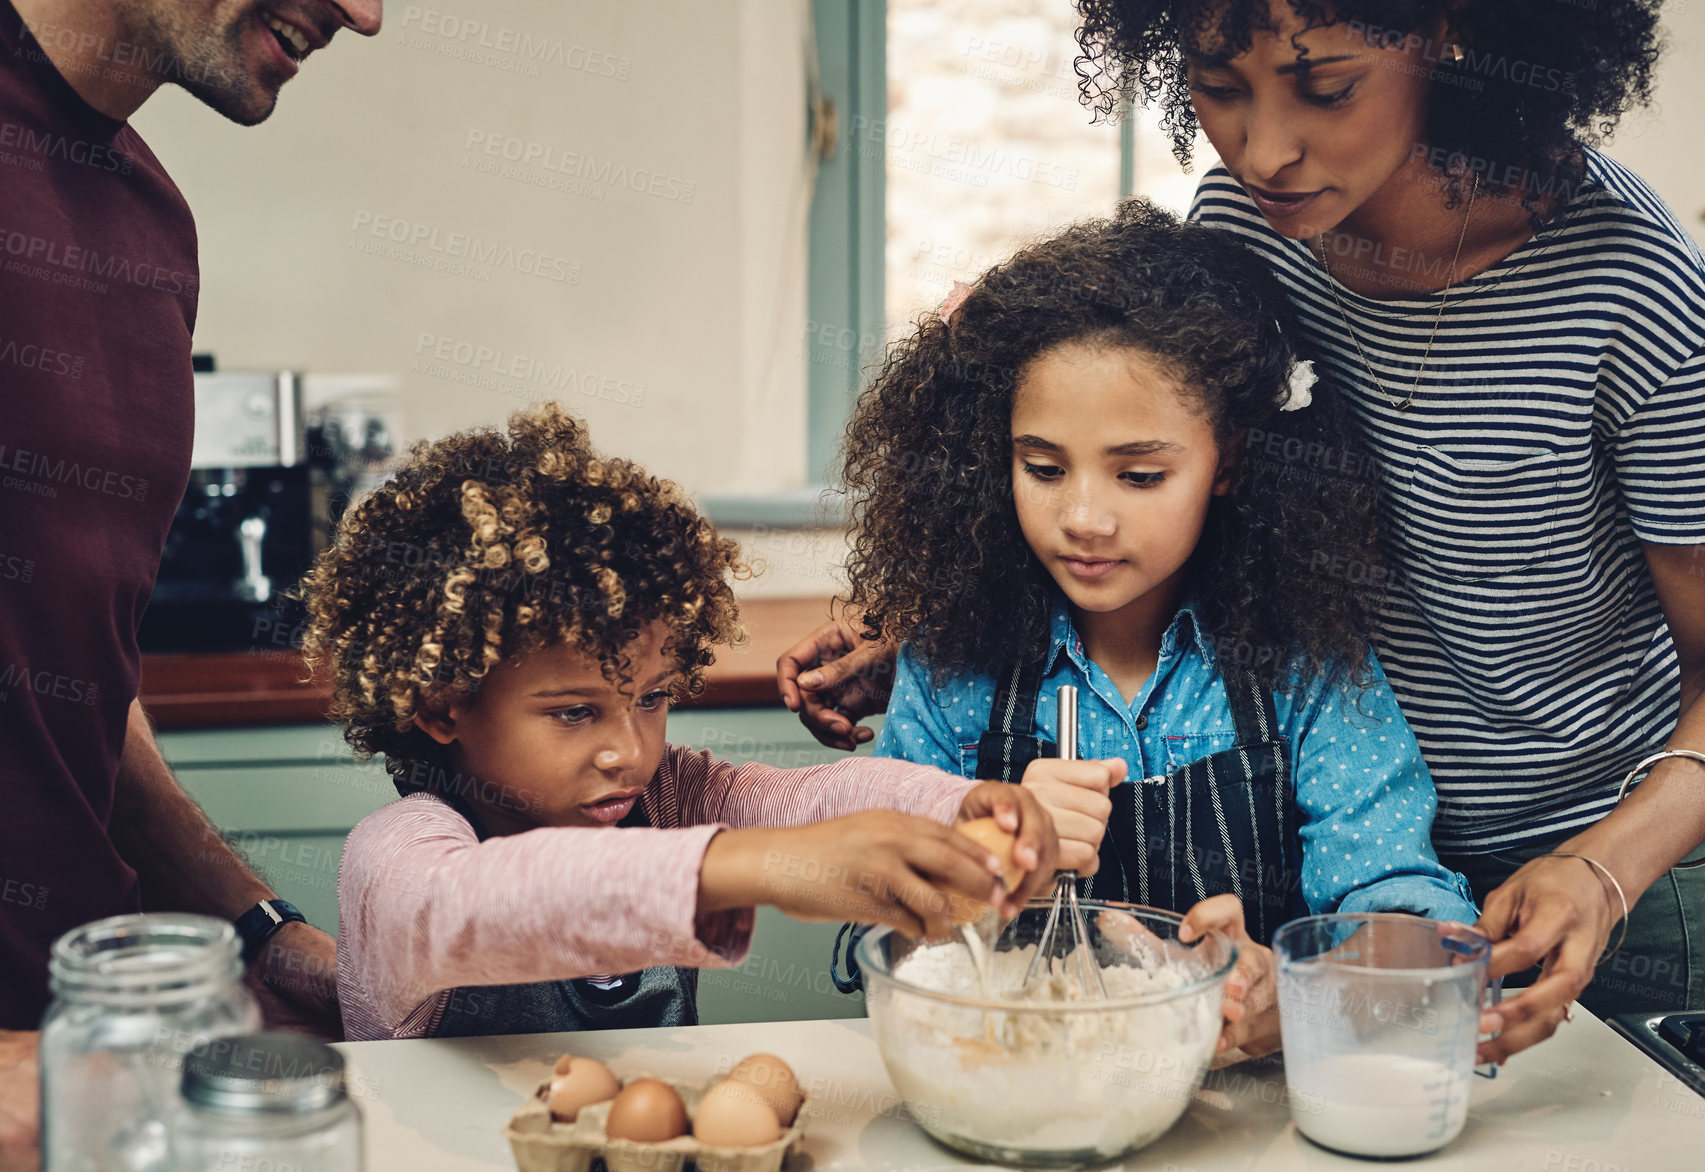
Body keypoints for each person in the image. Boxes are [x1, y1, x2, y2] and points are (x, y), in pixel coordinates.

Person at [780, 0, 1705, 1064]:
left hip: (1588, 854)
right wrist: (969, 614)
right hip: (1359, 862)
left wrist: (1600, 865)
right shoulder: (1258, 208)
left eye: (1326, 86)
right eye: (1218, 84)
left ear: (1447, 31)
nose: (1263, 148)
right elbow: (1159, 426)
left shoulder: (1633, 285)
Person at [832, 201, 1482, 1056]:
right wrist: (980, 862)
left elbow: (1407, 914)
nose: (1084, 518)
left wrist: (1295, 991)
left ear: (1231, 462)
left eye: (1139, 475)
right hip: (1018, 1088)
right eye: (1042, 468)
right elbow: (873, 941)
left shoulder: (1302, 667)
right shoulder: (954, 669)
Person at [296, 404, 1060, 1040]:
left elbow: (812, 800)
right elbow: (475, 905)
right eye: (573, 713)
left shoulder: (667, 798)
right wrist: (752, 867)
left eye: (653, 698)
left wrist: (957, 808)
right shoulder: (396, 858)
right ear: (439, 706)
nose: (628, 752)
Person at [0, 0, 380, 1163]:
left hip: (77, 1040)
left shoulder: (150, 222)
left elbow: (69, 670)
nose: (365, 15)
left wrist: (258, 933)